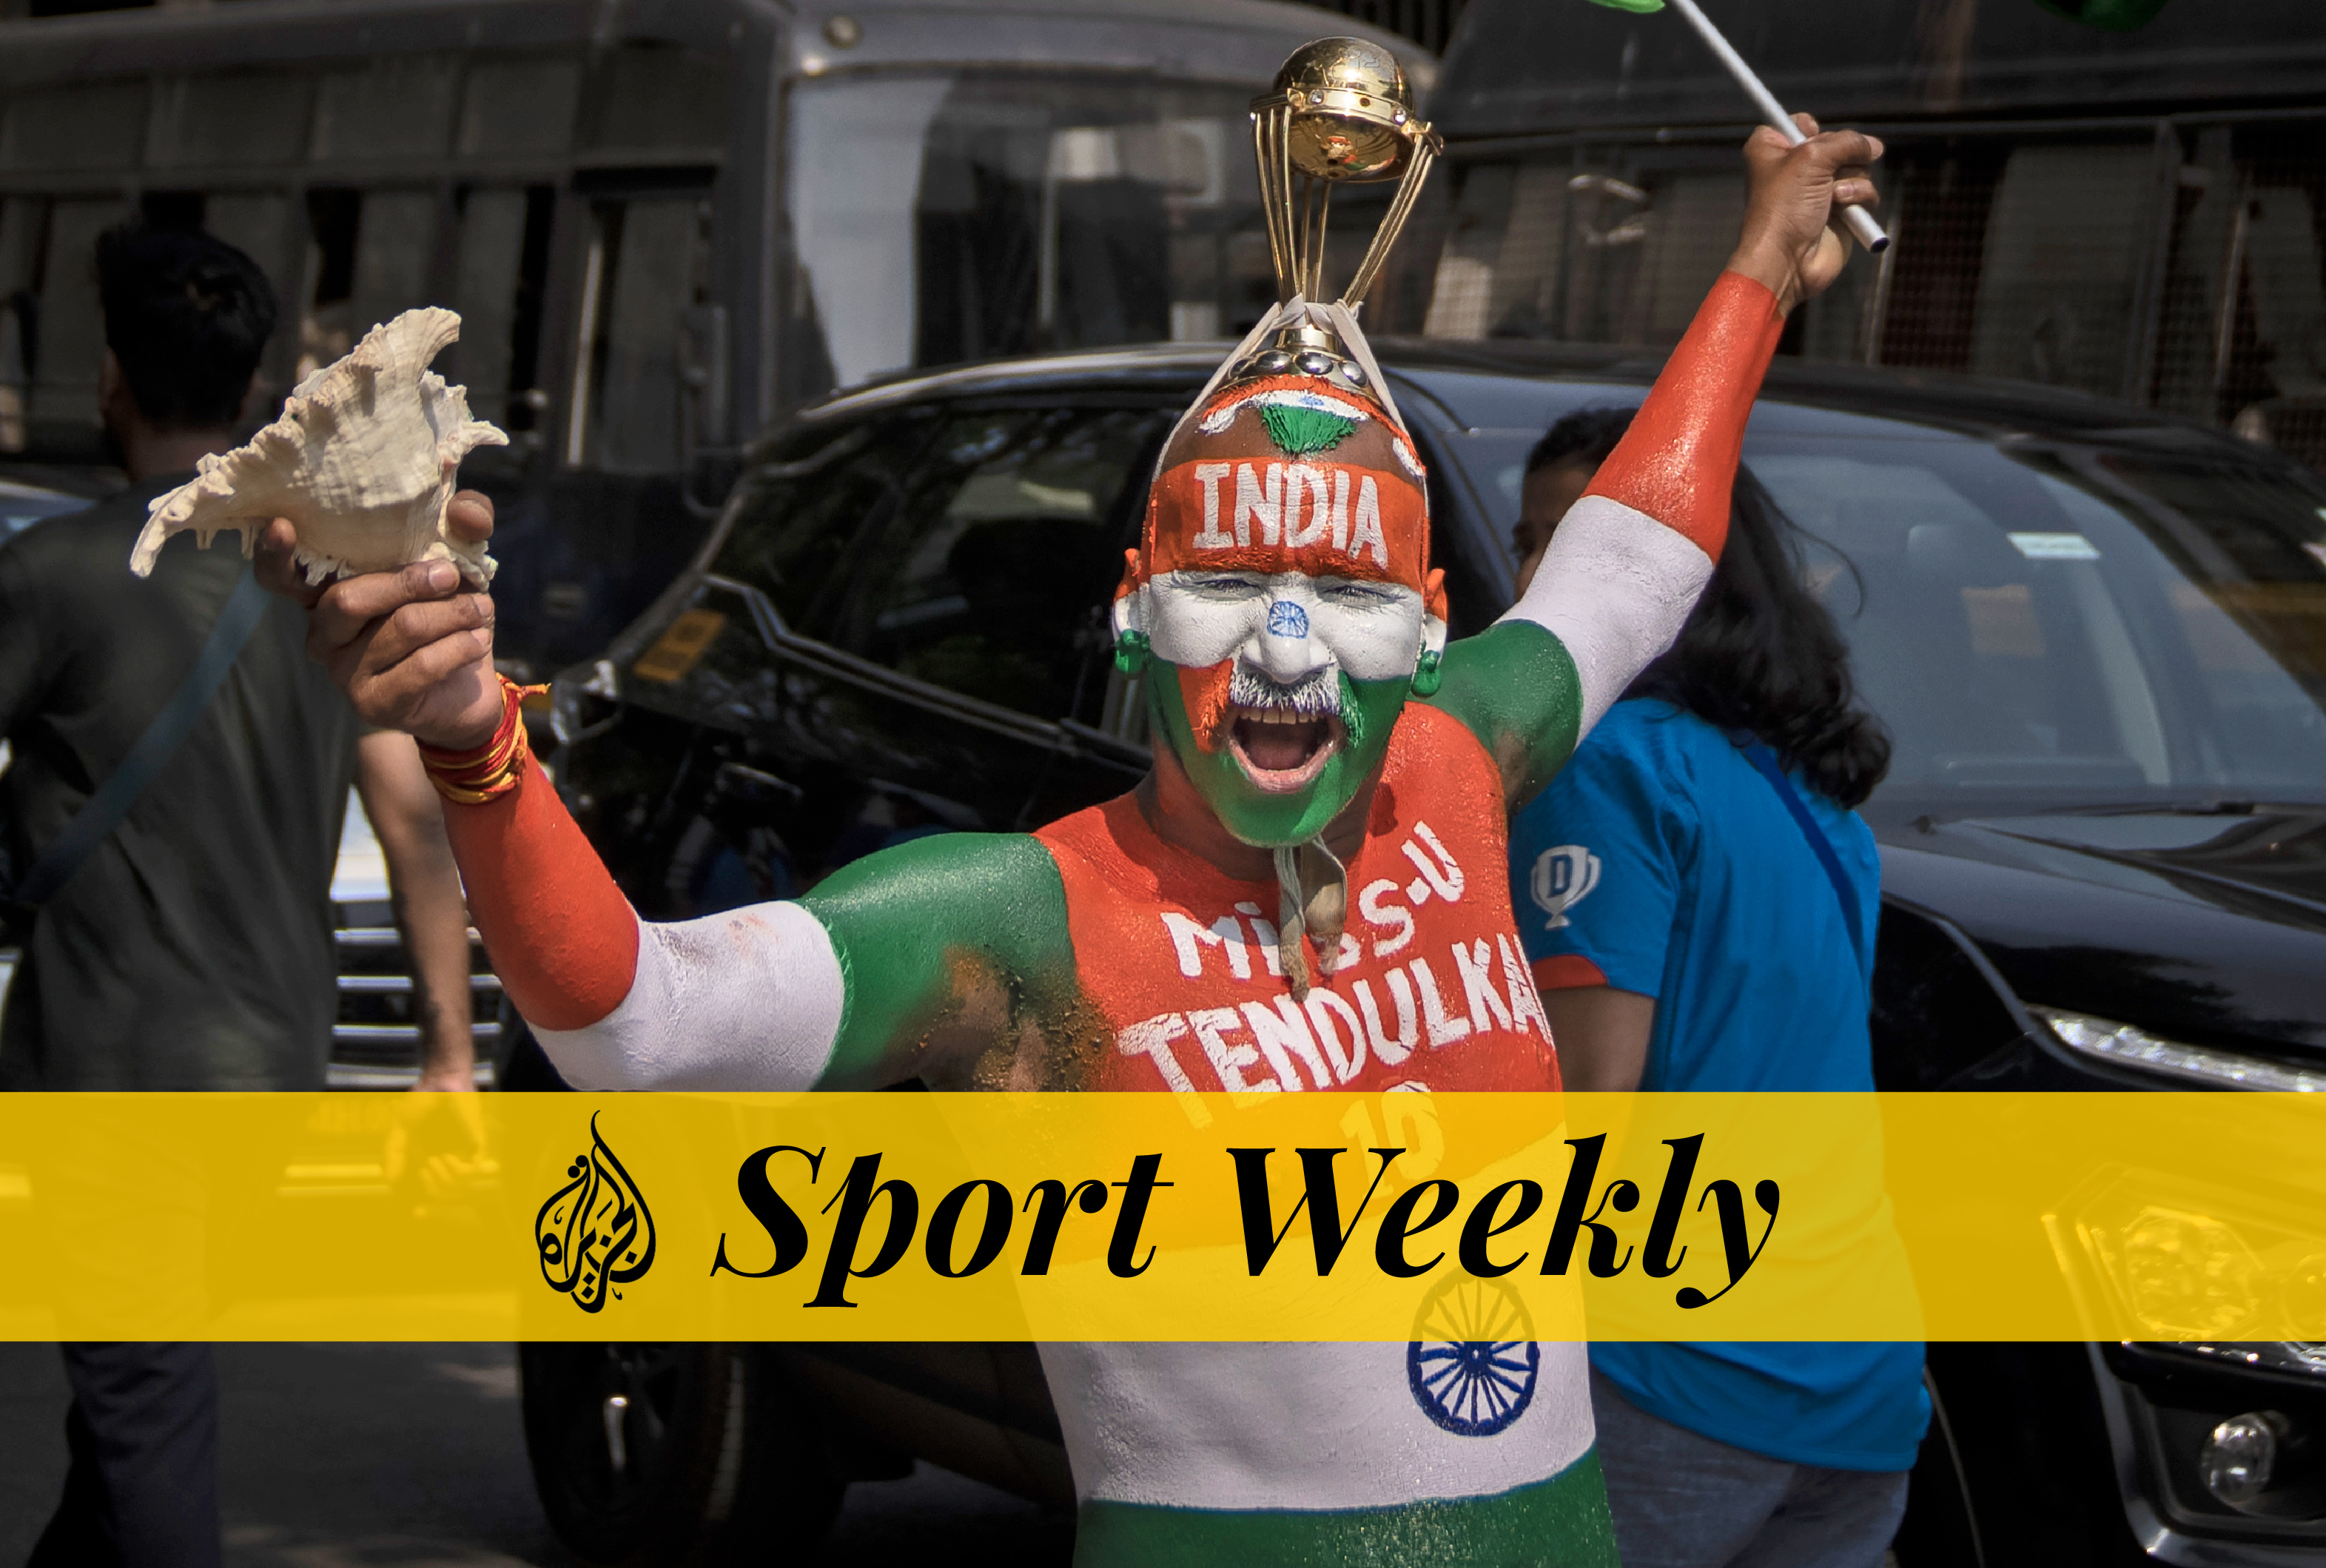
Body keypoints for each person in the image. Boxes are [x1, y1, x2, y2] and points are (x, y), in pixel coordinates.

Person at [268, 118, 1883, 1566]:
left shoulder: (1451, 775)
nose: (1288, 656)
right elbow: (635, 1024)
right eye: (1233, 589)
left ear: (1431, 630)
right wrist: (479, 744)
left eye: (1348, 601)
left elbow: (1631, 563)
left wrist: (1757, 264)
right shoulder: (1020, 922)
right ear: (1133, 613)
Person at [0, 222, 477, 1566]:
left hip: (113, 1079)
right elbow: (411, 825)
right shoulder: (319, 576)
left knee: (145, 1411)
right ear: (256, 386)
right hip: (275, 1065)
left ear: (111, 378)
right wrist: (450, 1057)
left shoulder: (58, 571)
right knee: (128, 1406)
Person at [1506, 406, 1929, 1566]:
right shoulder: (1811, 797)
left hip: (1673, 1375)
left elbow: (1586, 1098)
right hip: (1860, 1386)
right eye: (1527, 540)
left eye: (1574, 544)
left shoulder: (1606, 764)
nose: (1535, 577)